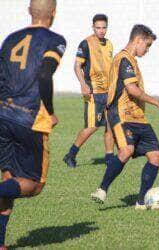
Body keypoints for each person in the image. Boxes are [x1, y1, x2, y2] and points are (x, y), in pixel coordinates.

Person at [0, 0, 66, 248]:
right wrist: (49, 111)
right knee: (34, 185)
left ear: (30, 11)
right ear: (53, 13)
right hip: (30, 120)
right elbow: (44, 74)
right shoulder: (55, 40)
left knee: (9, 180)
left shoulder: (10, 38)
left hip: (3, 115)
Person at [91, 24, 159, 210]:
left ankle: (141, 202)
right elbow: (132, 90)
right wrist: (157, 102)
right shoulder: (123, 59)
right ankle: (102, 189)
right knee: (126, 150)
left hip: (138, 117)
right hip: (122, 114)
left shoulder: (133, 61)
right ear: (138, 40)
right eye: (147, 45)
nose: (147, 50)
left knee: (156, 156)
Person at [63, 14, 114, 168]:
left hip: (108, 91)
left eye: (104, 27)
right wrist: (83, 84)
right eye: (98, 28)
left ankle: (109, 158)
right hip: (93, 92)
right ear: (93, 27)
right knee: (92, 127)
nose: (101, 30)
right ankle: (70, 155)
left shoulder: (109, 44)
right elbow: (76, 66)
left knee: (110, 125)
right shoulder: (85, 44)